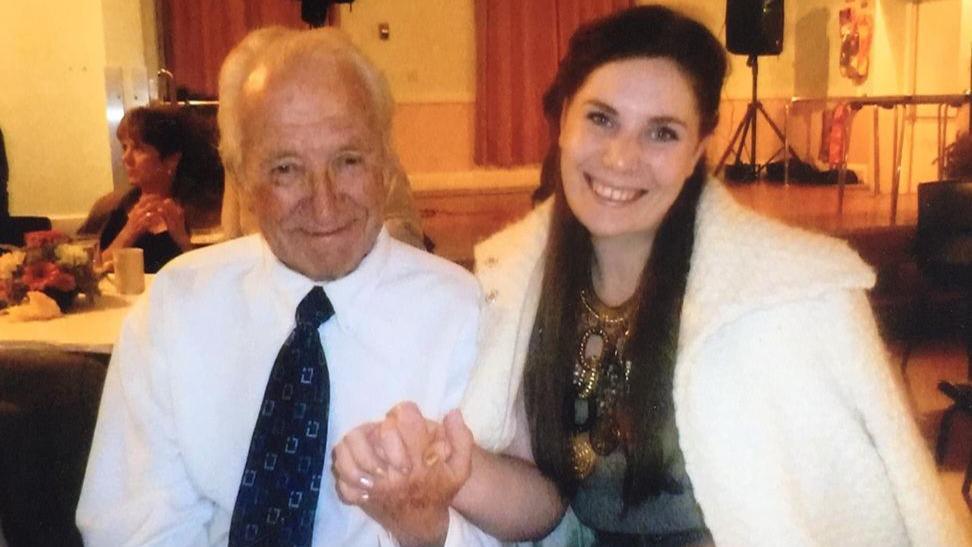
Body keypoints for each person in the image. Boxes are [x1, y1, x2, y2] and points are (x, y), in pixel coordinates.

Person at [333, 5, 967, 546]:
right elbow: (546, 499)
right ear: (562, 123)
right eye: (601, 118)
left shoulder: (781, 301)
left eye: (661, 133)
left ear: (697, 154)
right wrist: (450, 474)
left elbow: (834, 513)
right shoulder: (525, 281)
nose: (620, 157)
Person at [76, 27, 492, 546]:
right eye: (286, 169)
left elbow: (495, 534)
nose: (324, 202)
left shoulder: (462, 316)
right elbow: (135, 522)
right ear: (244, 178)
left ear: (387, 163)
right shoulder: (177, 309)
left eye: (348, 161)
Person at [217, 27, 427, 250]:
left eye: (346, 161)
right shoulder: (244, 165)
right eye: (286, 168)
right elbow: (231, 241)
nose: (323, 209)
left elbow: (405, 242)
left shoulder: (375, 163)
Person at [79, 105, 224, 273]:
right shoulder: (114, 207)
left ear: (171, 160)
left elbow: (213, 276)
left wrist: (182, 239)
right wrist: (128, 233)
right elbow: (91, 274)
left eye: (138, 149)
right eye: (125, 147)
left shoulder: (203, 213)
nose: (126, 158)